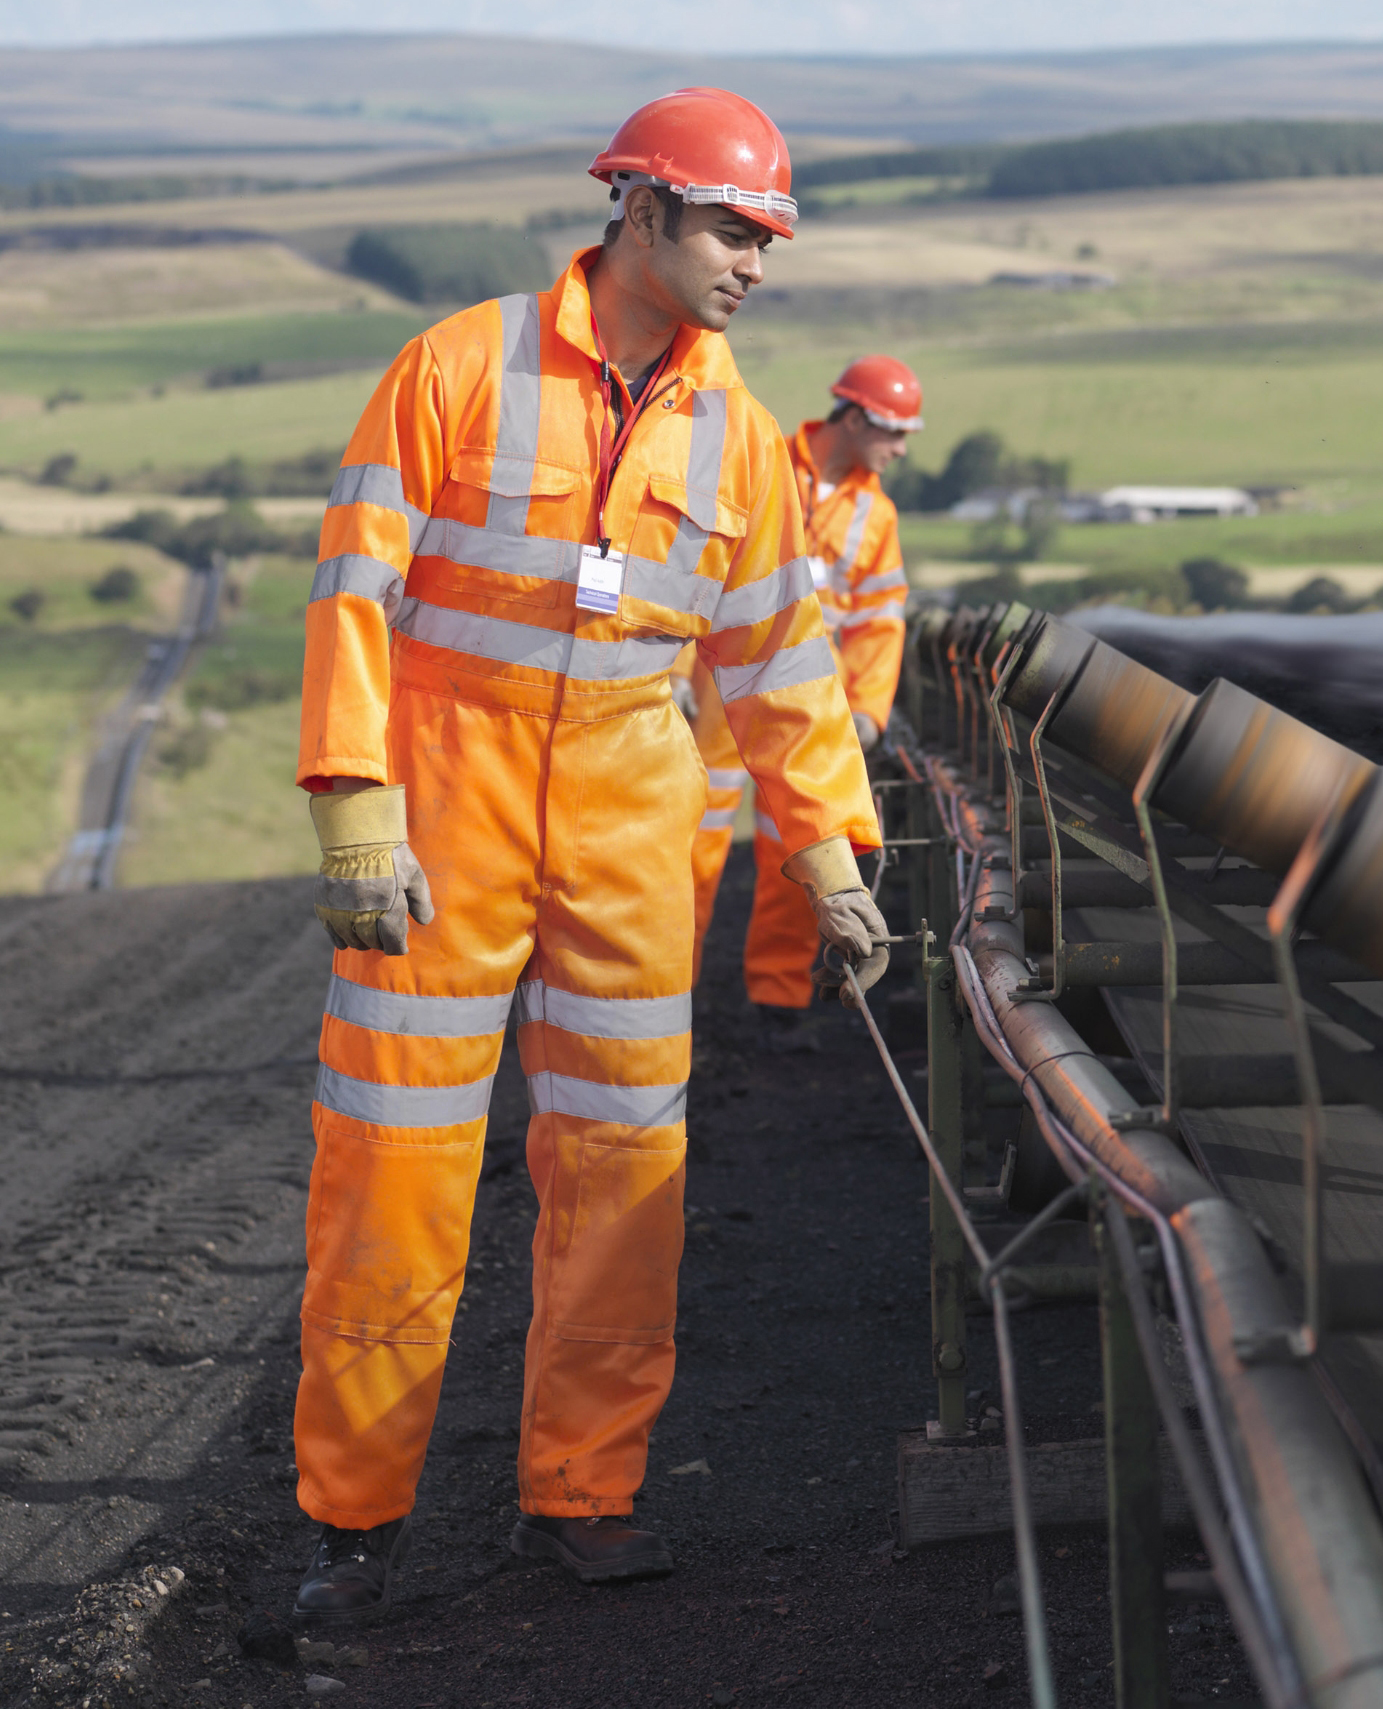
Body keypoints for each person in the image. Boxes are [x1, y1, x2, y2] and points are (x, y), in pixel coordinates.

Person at [287, 87, 889, 1624]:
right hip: (444, 794)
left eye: (772, 239)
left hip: (633, 809)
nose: (757, 262)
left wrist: (826, 855)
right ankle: (350, 1530)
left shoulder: (745, 441)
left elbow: (779, 665)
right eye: (735, 228)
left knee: (628, 1174)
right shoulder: (458, 366)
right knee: (395, 1175)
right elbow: (354, 588)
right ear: (640, 210)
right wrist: (356, 809)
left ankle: (587, 1490)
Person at [738, 358, 920, 1015]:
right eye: (894, 433)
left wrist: (867, 710)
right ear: (852, 418)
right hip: (715, 685)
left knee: (799, 850)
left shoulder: (877, 514)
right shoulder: (765, 464)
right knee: (679, 845)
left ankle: (776, 999)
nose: (900, 450)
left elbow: (879, 619)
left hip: (802, 700)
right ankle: (661, 992)